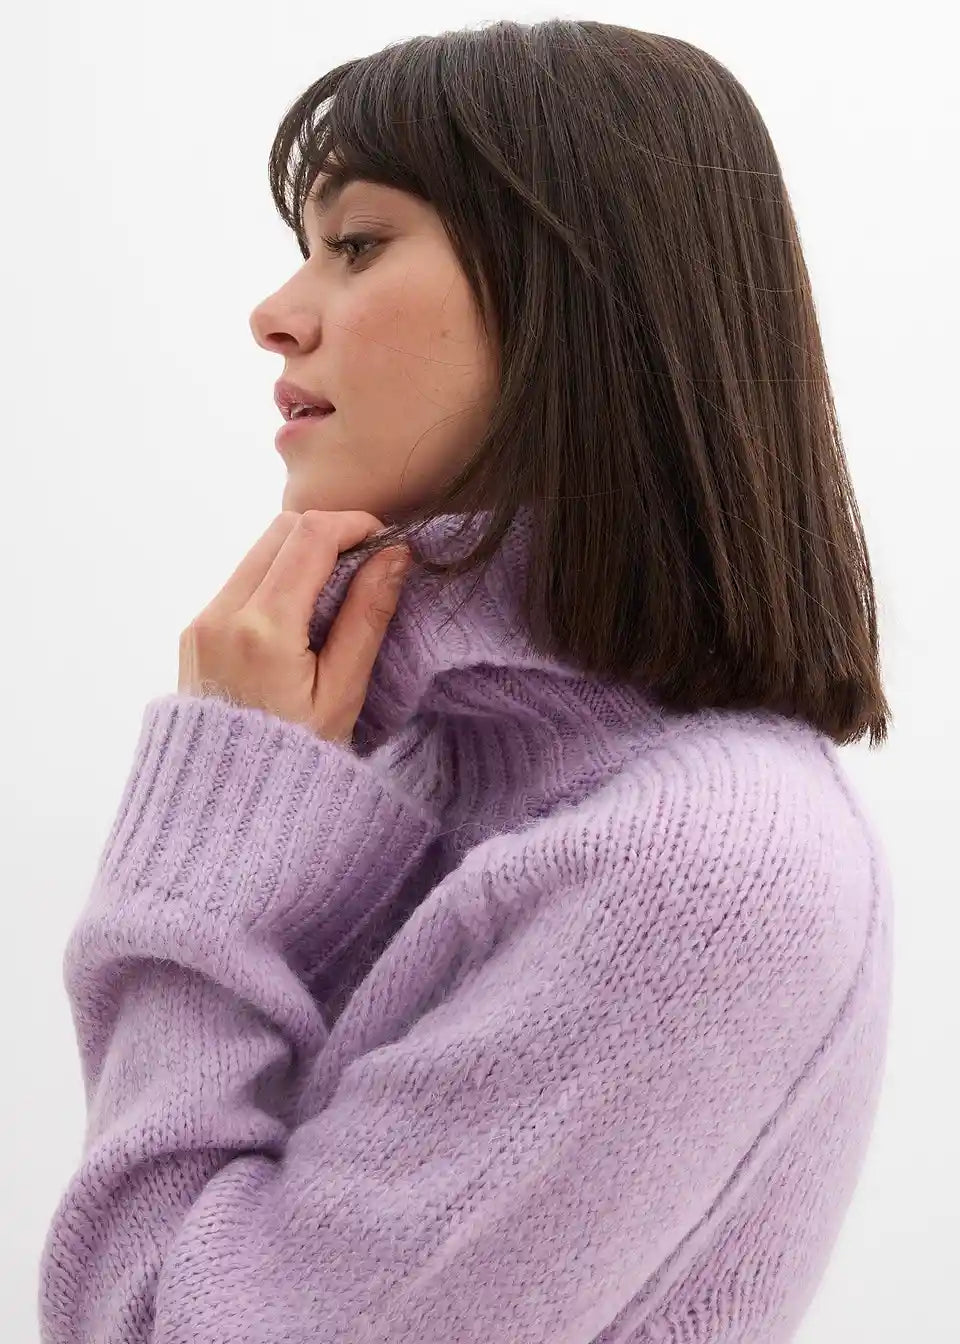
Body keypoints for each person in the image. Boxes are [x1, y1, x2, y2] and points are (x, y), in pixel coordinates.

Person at [37, 19, 894, 1344]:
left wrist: (210, 845)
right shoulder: (424, 776)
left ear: (574, 291)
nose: (276, 314)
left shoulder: (701, 863)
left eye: (357, 243)